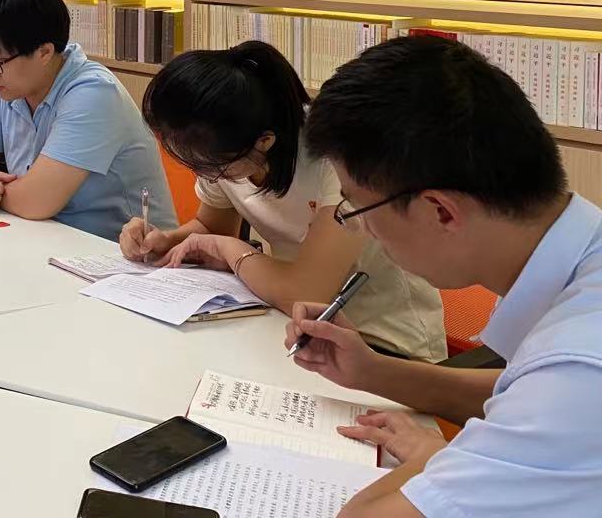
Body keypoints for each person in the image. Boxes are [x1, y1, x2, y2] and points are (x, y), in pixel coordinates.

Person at [283, 36, 601, 516]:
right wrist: (373, 371)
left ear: (441, 211)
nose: (361, 228)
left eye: (357, 208)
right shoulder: (580, 255)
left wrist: (439, 462)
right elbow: (519, 388)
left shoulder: (578, 371)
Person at [123, 41, 445, 362]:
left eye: (211, 166)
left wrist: (230, 250)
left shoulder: (337, 158)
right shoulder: (222, 144)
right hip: (294, 325)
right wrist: (166, 241)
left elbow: (304, 291)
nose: (203, 174)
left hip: (383, 341)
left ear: (264, 141)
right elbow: (210, 228)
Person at [0, 0, 173, 239]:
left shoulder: (94, 94)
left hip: (122, 252)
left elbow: (35, 202)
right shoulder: (8, 89)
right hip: (45, 240)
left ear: (44, 53)